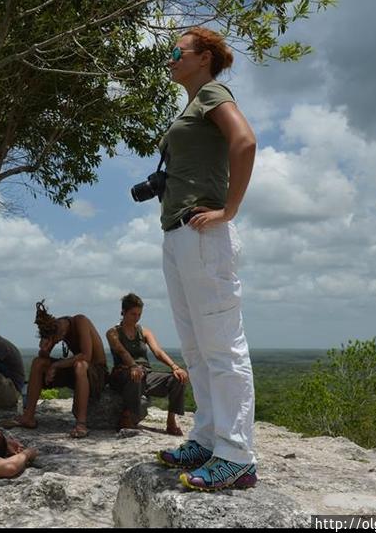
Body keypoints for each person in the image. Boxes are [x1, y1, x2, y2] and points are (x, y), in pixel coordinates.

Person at [154, 27, 258, 492]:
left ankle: (236, 456)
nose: (170, 56)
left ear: (204, 57)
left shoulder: (214, 92)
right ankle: (209, 437)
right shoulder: (192, 103)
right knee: (196, 348)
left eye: (178, 50)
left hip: (203, 234)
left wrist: (228, 210)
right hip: (178, 234)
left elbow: (245, 142)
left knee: (222, 348)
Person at [9, 300, 108, 438]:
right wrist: (44, 348)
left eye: (57, 338)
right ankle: (28, 416)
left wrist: (56, 366)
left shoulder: (80, 321)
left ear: (60, 331)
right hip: (75, 371)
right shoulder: (55, 329)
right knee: (38, 363)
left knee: (80, 365)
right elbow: (43, 357)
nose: (58, 340)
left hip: (96, 373)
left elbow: (86, 356)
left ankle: (81, 423)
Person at [105, 293, 189, 434]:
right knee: (136, 375)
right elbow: (121, 351)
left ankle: (171, 420)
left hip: (145, 374)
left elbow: (157, 351)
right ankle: (128, 416)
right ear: (123, 312)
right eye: (133, 314)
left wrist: (175, 367)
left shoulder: (144, 331)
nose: (136, 318)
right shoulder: (113, 333)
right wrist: (133, 366)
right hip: (123, 374)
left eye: (139, 314)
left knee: (177, 379)